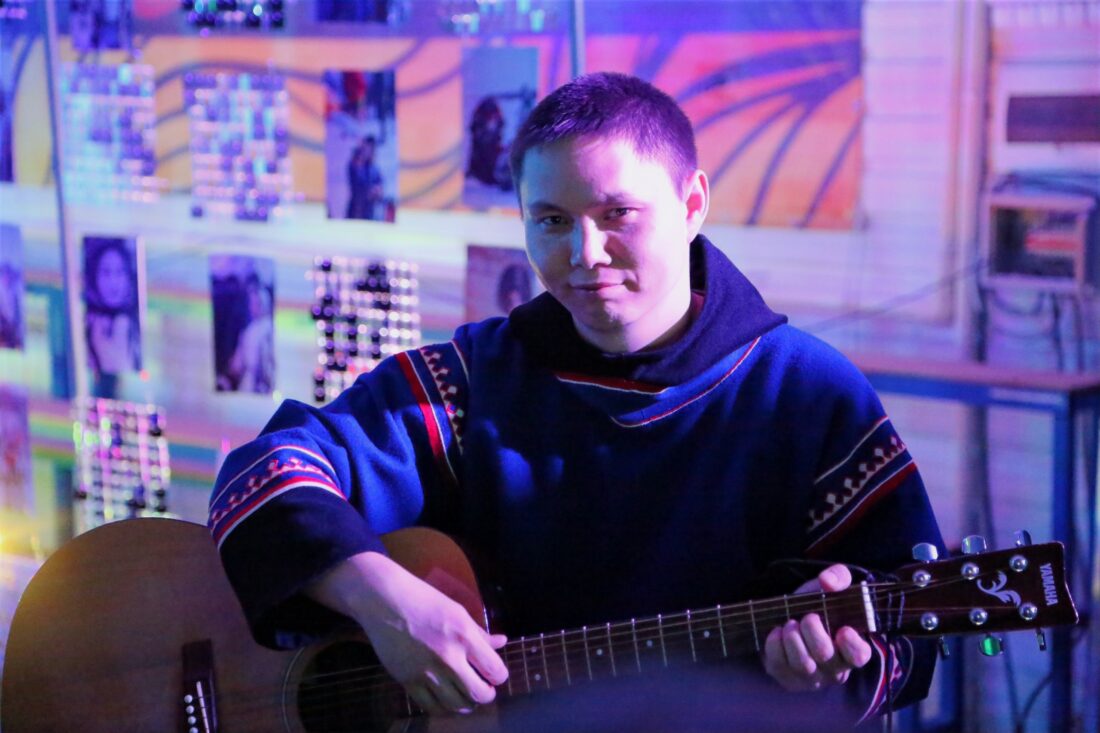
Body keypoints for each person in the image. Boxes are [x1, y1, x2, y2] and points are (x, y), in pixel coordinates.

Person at [209, 72, 943, 729]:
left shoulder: (805, 393)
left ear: (693, 203)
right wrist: (383, 602)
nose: (583, 254)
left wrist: (829, 665)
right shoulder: (471, 382)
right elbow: (263, 474)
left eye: (617, 213)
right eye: (552, 220)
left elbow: (908, 632)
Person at [84, 238, 140, 375]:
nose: (113, 282)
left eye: (120, 272)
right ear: (94, 277)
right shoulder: (89, 325)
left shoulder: (132, 328)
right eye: (106, 272)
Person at [346, 135, 385, 221]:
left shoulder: (375, 170)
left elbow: (380, 192)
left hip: (370, 213)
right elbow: (357, 183)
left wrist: (377, 192)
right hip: (355, 212)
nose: (368, 151)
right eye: (365, 148)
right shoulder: (355, 165)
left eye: (371, 149)